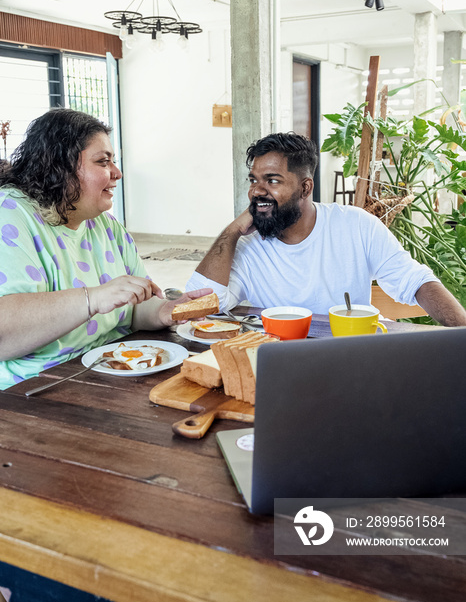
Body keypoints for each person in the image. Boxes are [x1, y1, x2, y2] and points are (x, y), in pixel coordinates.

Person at [0, 108, 211, 390]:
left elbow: (133, 307)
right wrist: (93, 299)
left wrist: (164, 311)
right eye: (103, 162)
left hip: (107, 372)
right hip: (36, 390)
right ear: (58, 167)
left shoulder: (105, 225)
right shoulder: (10, 214)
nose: (117, 173)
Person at [186, 132, 466, 327]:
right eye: (254, 180)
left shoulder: (356, 225)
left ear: (305, 187)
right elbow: (203, 301)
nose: (257, 191)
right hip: (277, 365)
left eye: (272, 181)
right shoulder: (247, 244)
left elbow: (415, 281)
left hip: (346, 360)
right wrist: (233, 230)